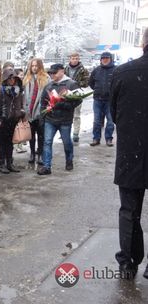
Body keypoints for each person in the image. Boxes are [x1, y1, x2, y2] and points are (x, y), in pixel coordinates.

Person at [110, 28, 148, 280]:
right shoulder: (123, 72)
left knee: (129, 210)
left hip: (132, 151)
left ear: (143, 42)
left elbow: (115, 114)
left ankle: (129, 261)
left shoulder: (123, 72)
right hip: (133, 149)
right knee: (129, 210)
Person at [37, 64, 80, 175]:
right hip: (50, 119)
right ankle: (47, 166)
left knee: (66, 142)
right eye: (50, 73)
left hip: (65, 120)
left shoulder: (71, 84)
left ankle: (69, 160)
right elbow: (43, 102)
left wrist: (64, 105)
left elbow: (78, 100)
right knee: (47, 142)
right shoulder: (49, 85)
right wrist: (42, 117)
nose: (52, 75)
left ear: (62, 72)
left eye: (54, 73)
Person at [0, 68, 24, 174]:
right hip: (4, 119)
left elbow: (20, 103)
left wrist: (21, 113)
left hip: (14, 119)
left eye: (14, 78)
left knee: (10, 143)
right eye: (10, 78)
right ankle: (2, 164)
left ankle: (9, 163)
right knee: (1, 143)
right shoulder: (1, 90)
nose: (12, 80)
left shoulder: (18, 90)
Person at [23, 58, 50, 165]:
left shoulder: (45, 79)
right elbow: (24, 95)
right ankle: (32, 153)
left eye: (36, 66)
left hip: (41, 111)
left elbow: (48, 95)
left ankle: (40, 154)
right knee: (31, 135)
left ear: (40, 67)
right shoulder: (27, 78)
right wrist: (25, 109)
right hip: (29, 111)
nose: (34, 68)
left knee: (41, 134)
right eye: (32, 66)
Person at [89, 51, 116, 147]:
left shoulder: (116, 70)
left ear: (110, 59)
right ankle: (96, 138)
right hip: (97, 99)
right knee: (97, 120)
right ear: (100, 60)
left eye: (107, 58)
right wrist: (98, 90)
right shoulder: (96, 70)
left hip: (110, 100)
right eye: (103, 58)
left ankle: (109, 139)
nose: (105, 60)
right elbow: (91, 83)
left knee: (110, 121)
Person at [64, 52, 90, 143]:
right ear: (70, 59)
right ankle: (65, 133)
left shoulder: (83, 70)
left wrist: (75, 84)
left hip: (77, 94)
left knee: (76, 115)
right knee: (66, 115)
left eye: (76, 58)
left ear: (79, 59)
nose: (74, 60)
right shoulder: (65, 69)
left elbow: (86, 82)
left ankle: (75, 133)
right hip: (66, 94)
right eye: (73, 58)